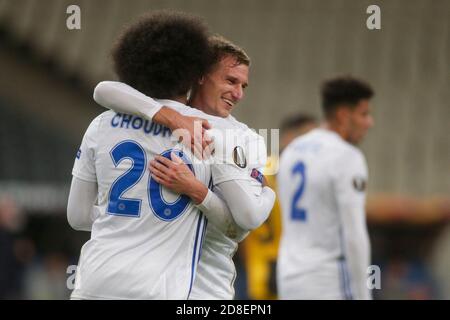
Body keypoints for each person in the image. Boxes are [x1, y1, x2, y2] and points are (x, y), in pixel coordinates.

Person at [92, 35, 276, 299]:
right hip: (155, 283)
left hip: (205, 284)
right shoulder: (162, 116)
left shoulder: (245, 139)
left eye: (244, 86)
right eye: (231, 81)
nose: (238, 94)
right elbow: (103, 90)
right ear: (200, 76)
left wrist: (198, 191)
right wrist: (174, 118)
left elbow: (239, 228)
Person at [68, 11, 224, 299]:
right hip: (157, 289)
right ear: (193, 74)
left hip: (93, 282)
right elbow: (238, 221)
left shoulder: (101, 124)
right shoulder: (210, 130)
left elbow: (77, 216)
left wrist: (124, 220)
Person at [277, 76, 374, 300]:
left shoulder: (292, 151)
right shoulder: (347, 156)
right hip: (328, 281)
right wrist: (363, 295)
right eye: (364, 114)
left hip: (290, 279)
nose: (370, 122)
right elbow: (354, 234)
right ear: (343, 115)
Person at [242, 114, 317, 300]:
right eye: (308, 138)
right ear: (288, 137)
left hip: (267, 270)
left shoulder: (259, 167)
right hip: (273, 271)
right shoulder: (297, 174)